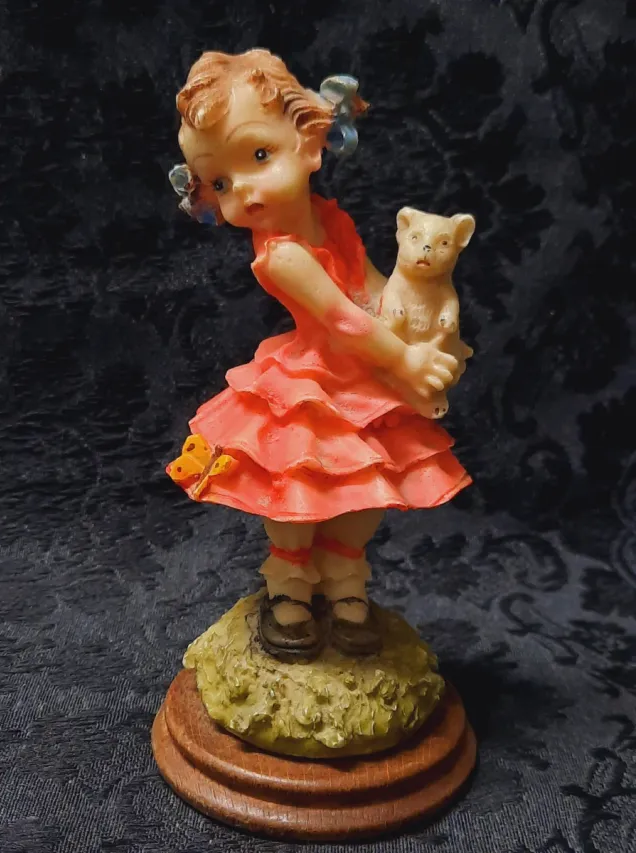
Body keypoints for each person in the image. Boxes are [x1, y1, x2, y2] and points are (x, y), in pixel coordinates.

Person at [167, 49, 471, 662]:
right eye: (219, 182)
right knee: (299, 489)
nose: (241, 189)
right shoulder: (281, 254)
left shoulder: (330, 219)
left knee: (364, 489)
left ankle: (345, 577)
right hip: (320, 375)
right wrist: (404, 361)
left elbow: (371, 286)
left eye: (258, 156)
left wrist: (416, 325)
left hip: (367, 367)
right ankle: (290, 586)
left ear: (310, 145)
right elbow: (339, 318)